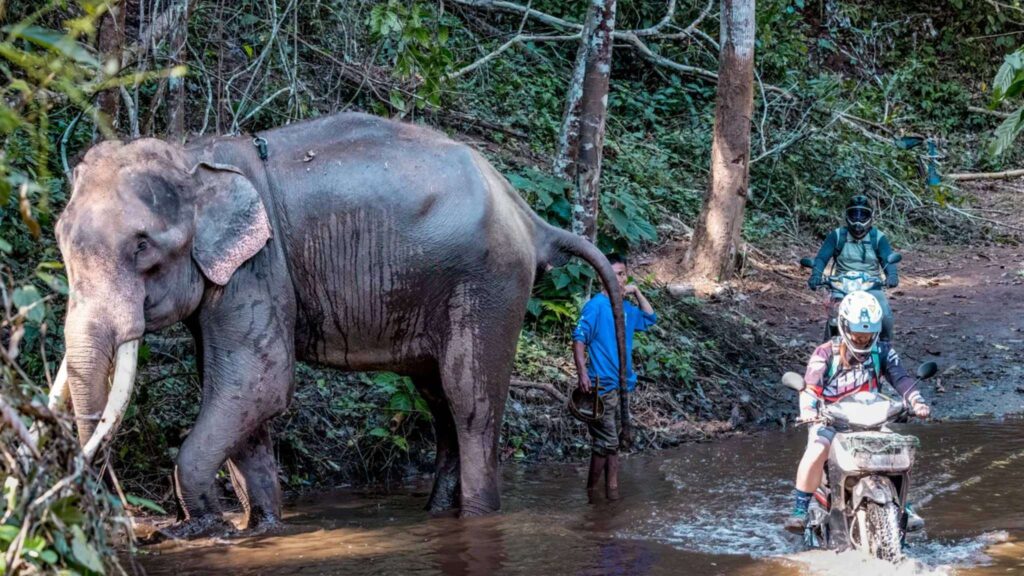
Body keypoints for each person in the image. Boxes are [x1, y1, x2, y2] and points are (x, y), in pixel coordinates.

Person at [785, 291, 930, 533]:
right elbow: (810, 387)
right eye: (857, 334)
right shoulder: (825, 353)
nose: (862, 340)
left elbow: (901, 378)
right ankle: (800, 508)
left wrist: (917, 402)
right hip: (830, 418)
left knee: (898, 450)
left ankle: (905, 505)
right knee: (816, 450)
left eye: (867, 335)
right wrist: (809, 410)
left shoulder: (883, 351)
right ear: (843, 326)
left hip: (871, 420)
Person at [572, 253, 657, 503]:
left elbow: (651, 318)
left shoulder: (626, 309)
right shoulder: (596, 306)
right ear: (602, 277)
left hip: (621, 388)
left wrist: (637, 292)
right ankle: (601, 492)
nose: (618, 279)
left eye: (621, 274)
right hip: (600, 387)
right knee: (608, 441)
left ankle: (607, 492)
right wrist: (582, 373)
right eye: (613, 274)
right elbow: (578, 340)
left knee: (607, 443)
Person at [807, 195, 899, 341]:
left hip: (871, 285)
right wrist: (816, 275)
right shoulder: (837, 236)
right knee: (834, 317)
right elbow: (822, 258)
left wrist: (892, 275)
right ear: (847, 216)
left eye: (863, 215)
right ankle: (828, 353)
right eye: (854, 214)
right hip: (841, 285)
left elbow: (888, 259)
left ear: (870, 216)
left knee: (885, 316)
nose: (858, 219)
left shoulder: (878, 237)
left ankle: (885, 351)